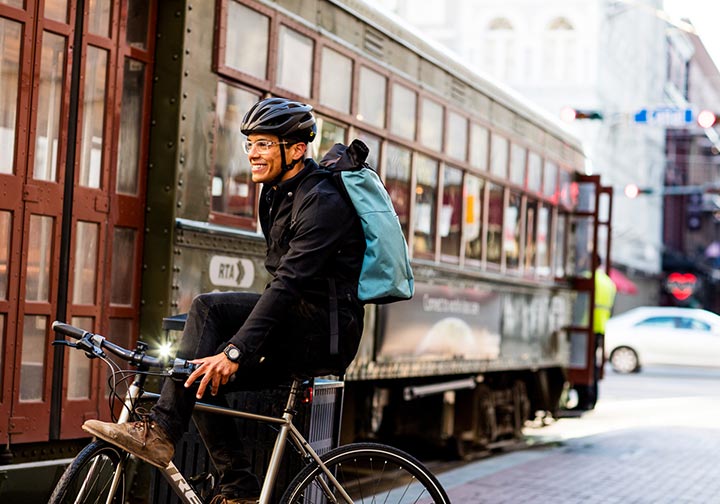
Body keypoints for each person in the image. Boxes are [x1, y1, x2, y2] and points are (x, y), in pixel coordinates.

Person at [82, 97, 366, 504]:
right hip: (296, 318)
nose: (252, 153)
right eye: (250, 143)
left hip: (324, 331)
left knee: (209, 311)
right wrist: (224, 355)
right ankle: (239, 488)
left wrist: (234, 351)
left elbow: (288, 283)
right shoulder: (276, 192)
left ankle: (161, 433)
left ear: (297, 149)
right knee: (196, 371)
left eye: (264, 144)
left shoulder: (322, 201)